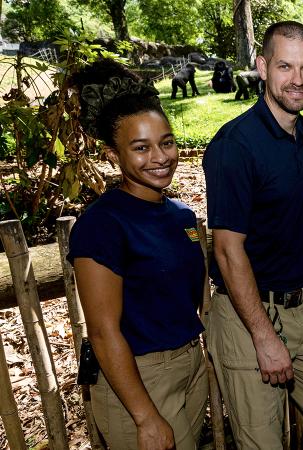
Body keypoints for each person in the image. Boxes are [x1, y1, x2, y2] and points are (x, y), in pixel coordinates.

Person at [202, 21, 303, 449]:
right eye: (285, 66)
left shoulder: (300, 130)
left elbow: (285, 180)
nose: (297, 80)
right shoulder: (234, 146)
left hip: (298, 307)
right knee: (264, 443)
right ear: (262, 67)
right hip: (248, 314)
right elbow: (227, 249)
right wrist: (263, 336)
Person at [68, 59, 208, 449]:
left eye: (166, 142)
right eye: (141, 148)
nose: (161, 157)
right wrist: (145, 417)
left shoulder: (181, 215)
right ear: (113, 155)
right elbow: (102, 331)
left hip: (189, 365)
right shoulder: (102, 225)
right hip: (137, 381)